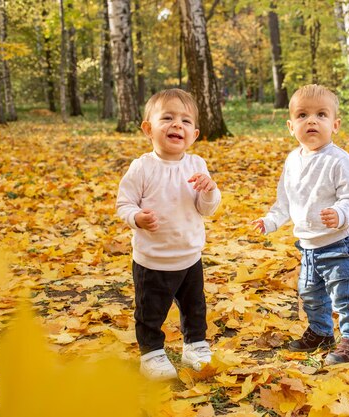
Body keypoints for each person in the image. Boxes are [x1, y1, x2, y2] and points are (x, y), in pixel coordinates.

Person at [252, 84, 349, 365]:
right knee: (310, 293)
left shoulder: (339, 161)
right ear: (291, 126)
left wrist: (340, 213)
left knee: (344, 295)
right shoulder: (292, 160)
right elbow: (285, 201)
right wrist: (270, 221)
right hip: (308, 246)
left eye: (321, 114)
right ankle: (321, 333)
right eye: (303, 115)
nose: (312, 121)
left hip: (340, 244)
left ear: (335, 124)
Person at [116, 89, 221, 380]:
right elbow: (124, 203)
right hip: (153, 260)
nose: (177, 125)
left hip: (190, 255)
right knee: (151, 311)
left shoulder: (197, 165)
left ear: (195, 133)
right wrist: (136, 218)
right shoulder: (143, 167)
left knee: (195, 307)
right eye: (168, 118)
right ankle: (151, 353)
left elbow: (206, 208)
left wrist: (210, 190)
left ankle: (195, 345)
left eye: (186, 121)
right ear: (148, 129)